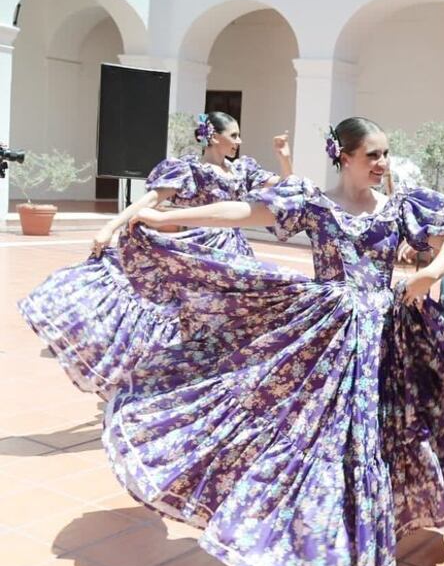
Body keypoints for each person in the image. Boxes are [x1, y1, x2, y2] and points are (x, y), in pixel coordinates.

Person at [107, 116, 444, 566]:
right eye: (373, 155)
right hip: (327, 337)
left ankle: (350, 550)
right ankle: (327, 551)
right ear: (344, 156)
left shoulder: (400, 207)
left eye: (385, 154)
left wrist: (429, 272)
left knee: (373, 441)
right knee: (323, 440)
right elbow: (242, 212)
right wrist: (164, 219)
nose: (382, 164)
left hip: (384, 339)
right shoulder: (314, 203)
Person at [17, 111, 290, 399]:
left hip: (234, 257)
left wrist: (284, 156)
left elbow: (290, 188)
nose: (239, 141)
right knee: (184, 317)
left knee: (236, 319)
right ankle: (167, 378)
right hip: (196, 253)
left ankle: (214, 385)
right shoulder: (188, 170)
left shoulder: (243, 169)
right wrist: (110, 227)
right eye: (234, 135)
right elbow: (149, 200)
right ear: (213, 137)